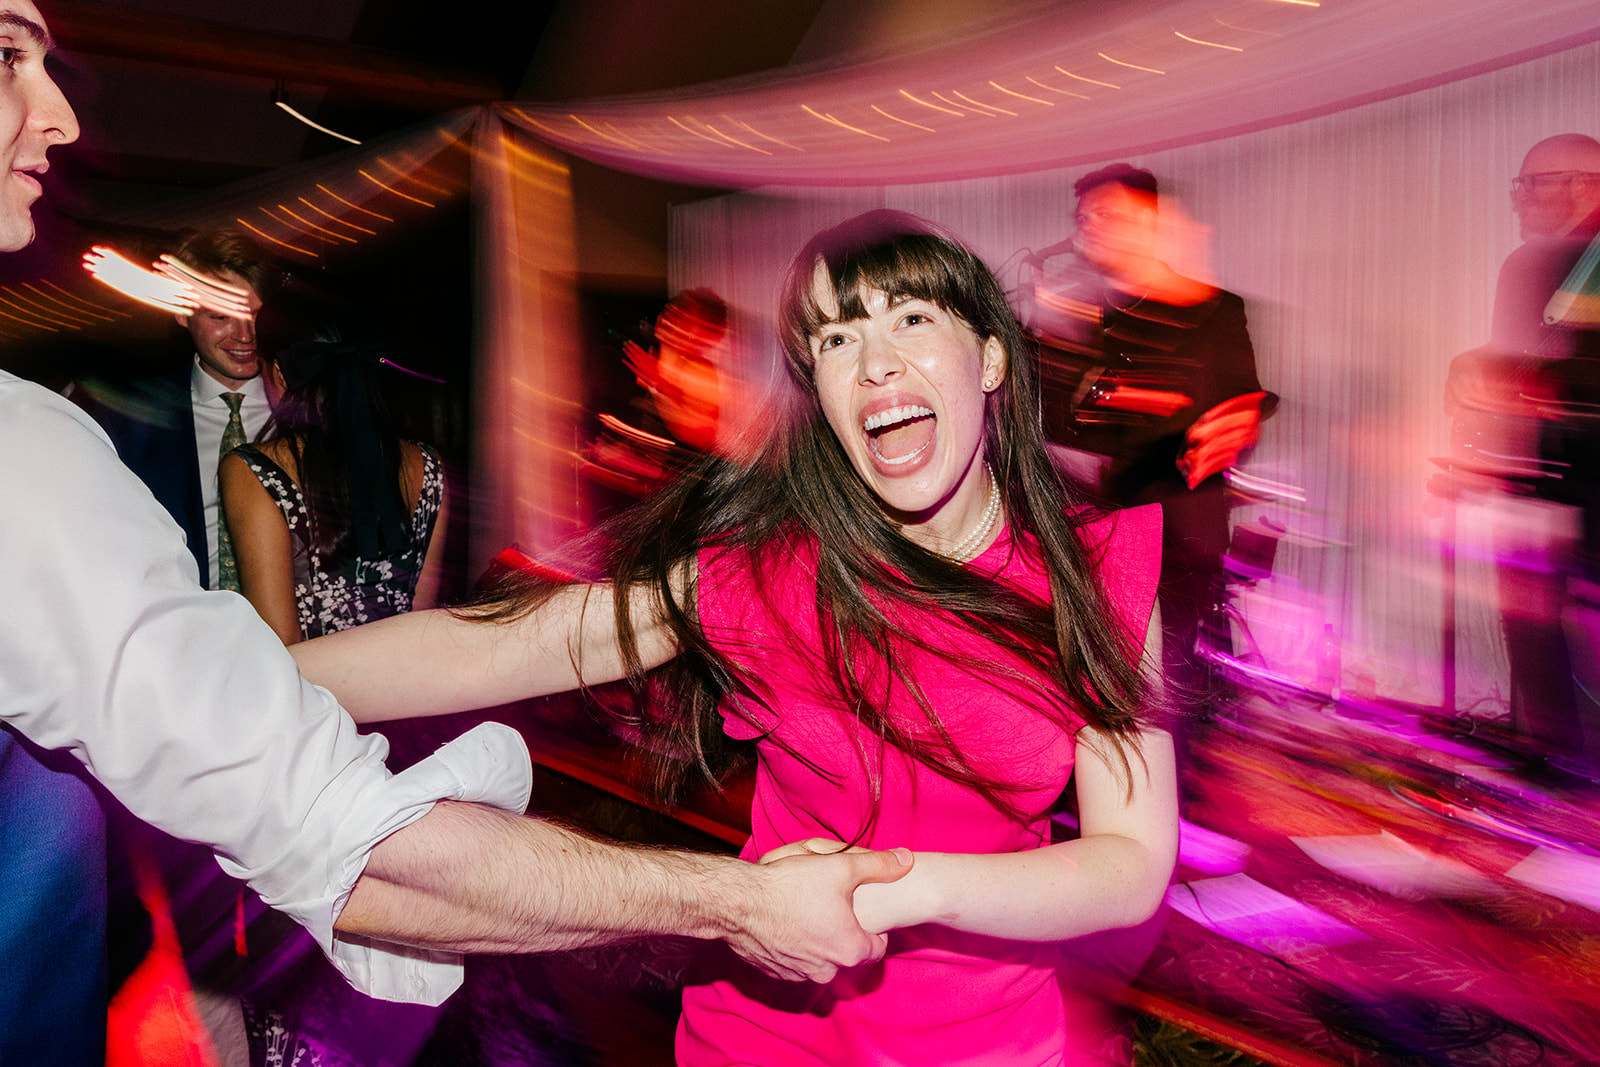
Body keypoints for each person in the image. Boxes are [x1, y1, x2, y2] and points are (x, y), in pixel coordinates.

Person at [0, 5, 909, 1063]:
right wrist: (742, 901)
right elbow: (369, 802)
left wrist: (695, 605)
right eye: (7, 52)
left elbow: (290, 675)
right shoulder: (29, 456)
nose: (60, 114)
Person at [289, 210, 1179, 1064]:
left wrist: (898, 885)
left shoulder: (1098, 574)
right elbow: (501, 643)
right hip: (766, 1038)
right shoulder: (767, 574)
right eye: (833, 339)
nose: (873, 363)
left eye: (910, 317)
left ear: (989, 358)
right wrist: (245, 675)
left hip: (985, 1043)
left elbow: (1131, 861)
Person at [1031, 163, 1268, 717]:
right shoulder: (1068, 312)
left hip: (1176, 534)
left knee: (1165, 689)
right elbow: (1041, 419)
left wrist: (1211, 425)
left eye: (1106, 214)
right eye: (1084, 216)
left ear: (1146, 222)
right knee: (1083, 684)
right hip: (1086, 531)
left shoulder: (1211, 310)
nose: (1090, 226)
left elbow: (1239, 406)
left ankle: (1168, 794)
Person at [1447, 134, 1600, 758]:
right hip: (1545, 492)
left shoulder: (1552, 263)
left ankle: (1564, 796)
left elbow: (1549, 375)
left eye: (1531, 183)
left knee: (1555, 652)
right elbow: (1512, 367)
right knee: (1546, 648)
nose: (1520, 198)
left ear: (1583, 183)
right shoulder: (1531, 263)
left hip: (1569, 496)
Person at [222, 317, 446, 644]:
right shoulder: (429, 466)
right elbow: (422, 626)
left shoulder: (253, 469)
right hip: (409, 688)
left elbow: (280, 644)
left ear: (280, 373)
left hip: (317, 692)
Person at [75, 228, 273, 591]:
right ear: (183, 314)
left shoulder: (310, 407)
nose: (246, 335)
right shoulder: (132, 419)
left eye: (255, 314)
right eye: (220, 317)